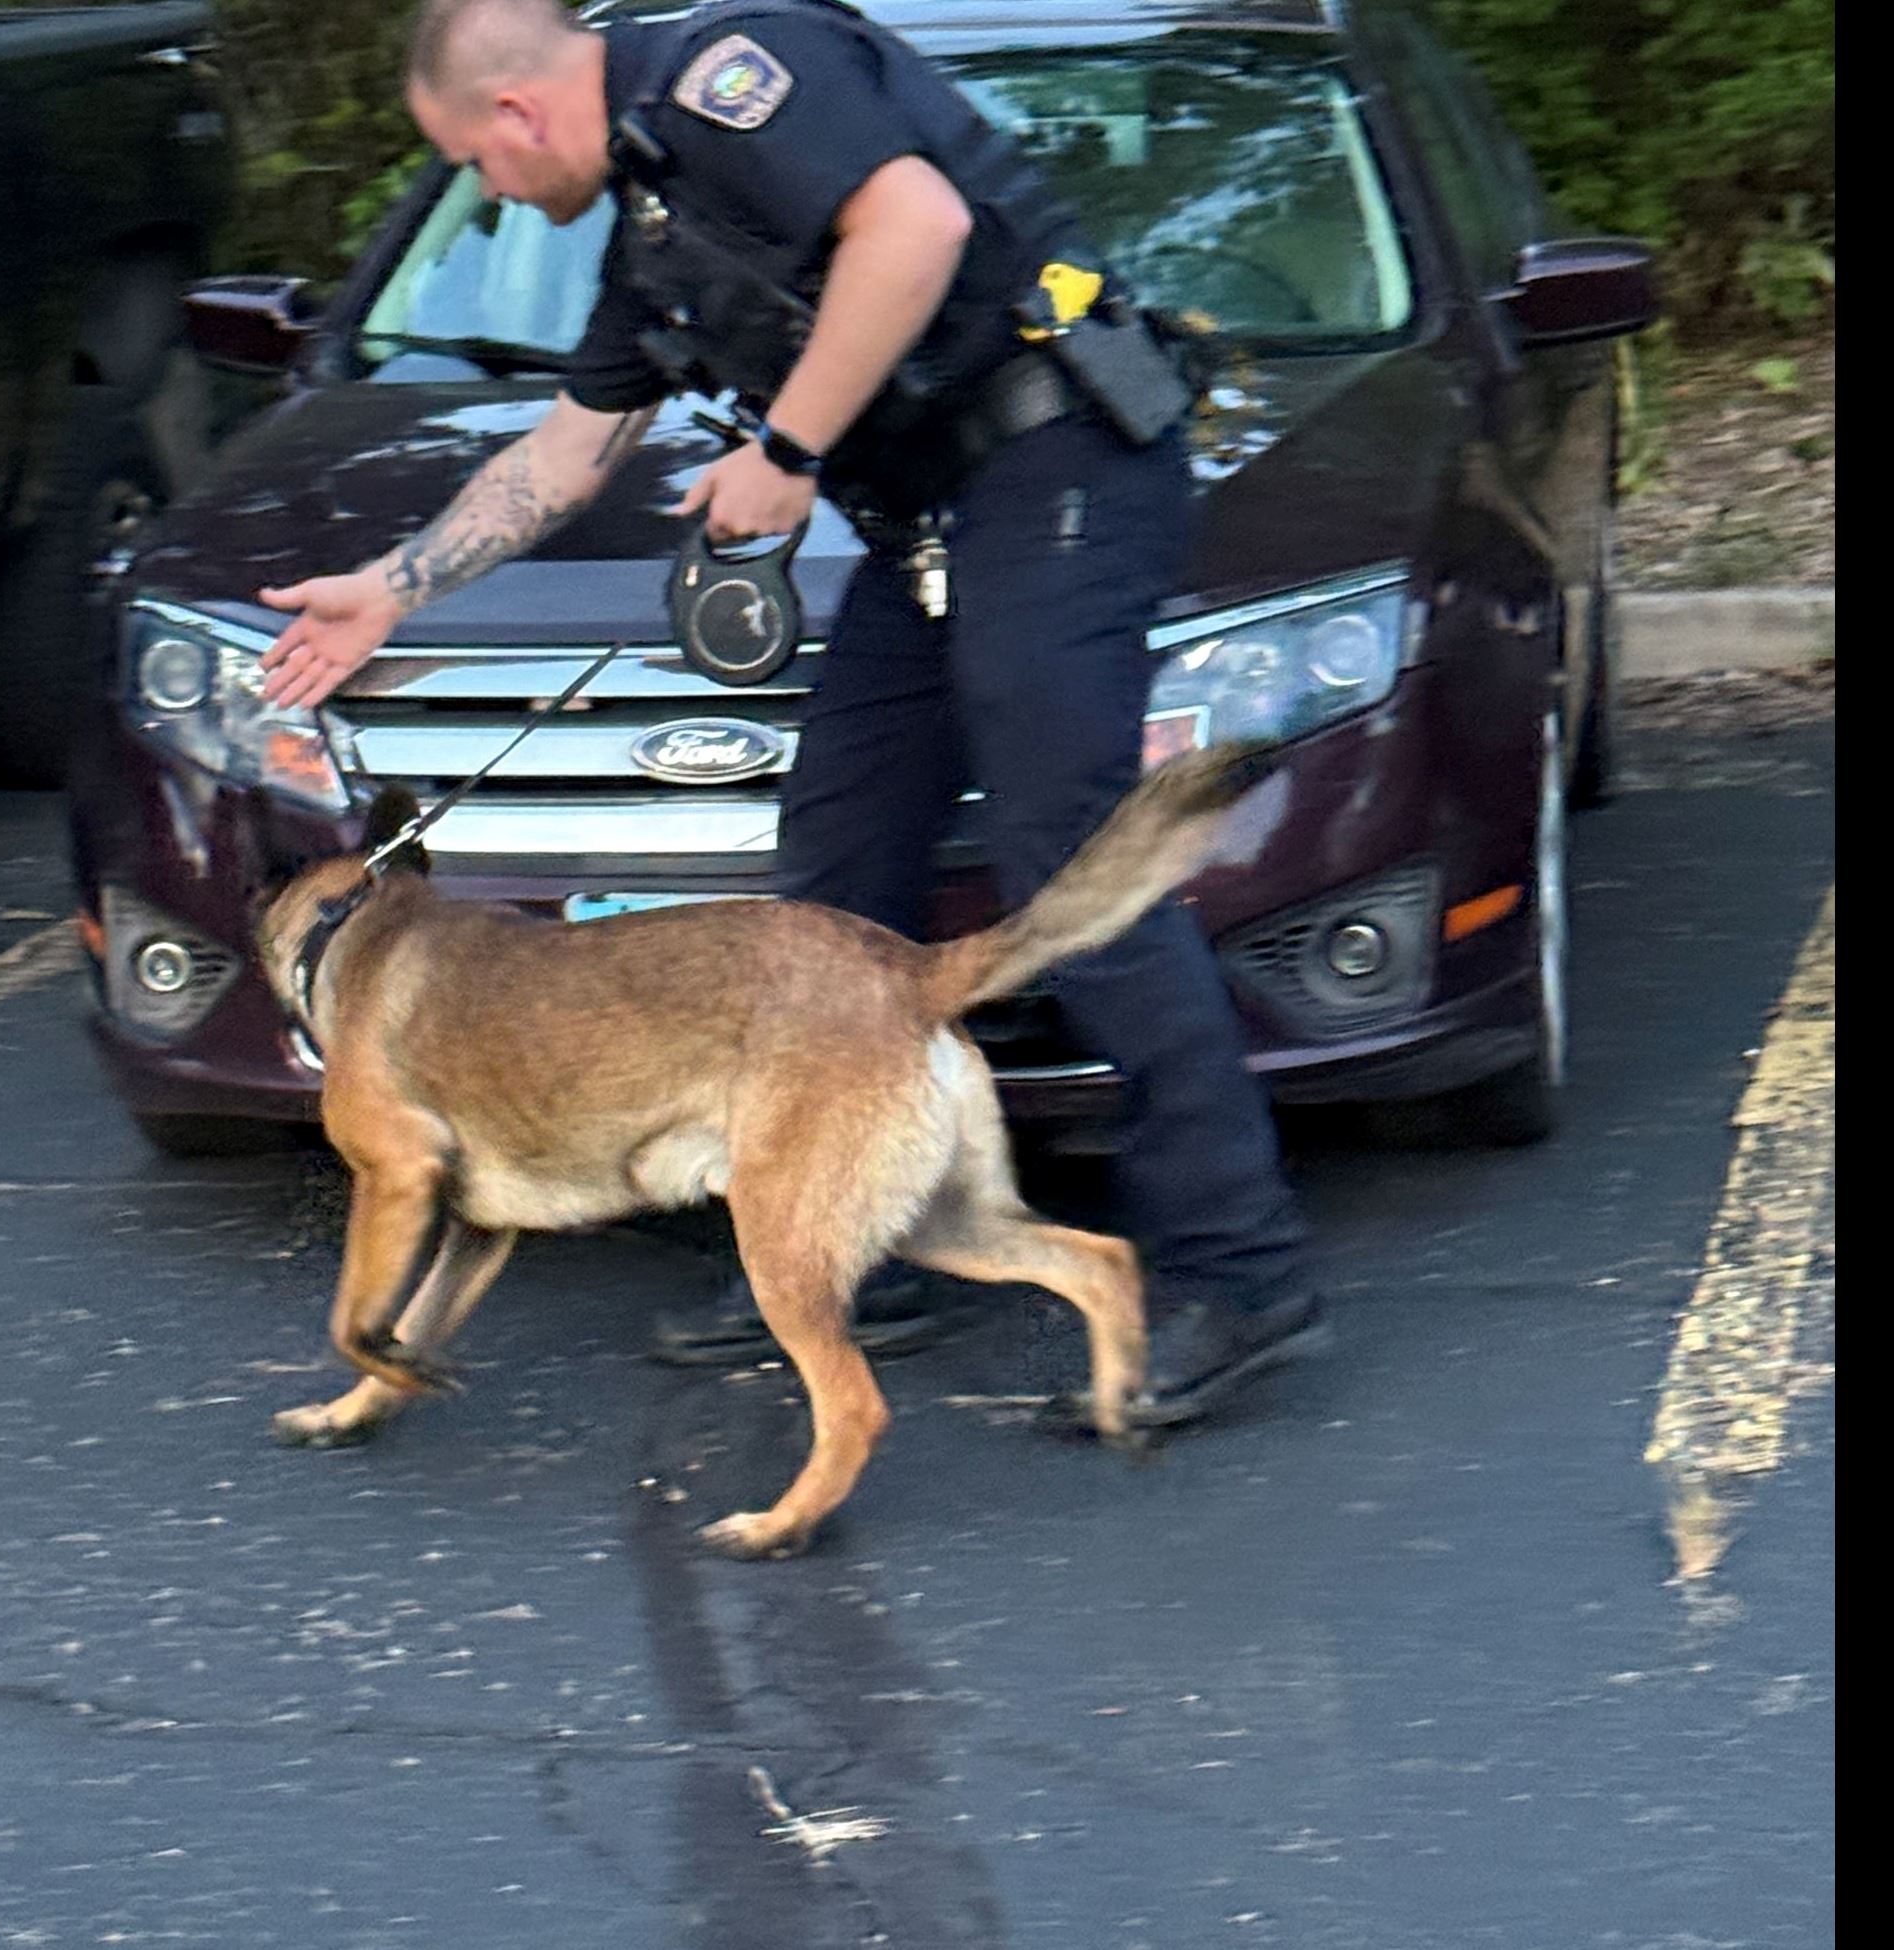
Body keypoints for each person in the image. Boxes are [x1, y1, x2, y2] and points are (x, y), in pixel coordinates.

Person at [255, 0, 1329, 1430]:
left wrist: (788, 444)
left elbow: (916, 226)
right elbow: (568, 451)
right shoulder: (649, 229)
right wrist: (392, 589)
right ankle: (855, 1243)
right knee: (838, 846)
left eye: (480, 168)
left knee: (1066, 851)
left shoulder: (732, 79)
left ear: (513, 115)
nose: (496, 195)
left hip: (1055, 459)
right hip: (934, 517)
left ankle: (1238, 1270)